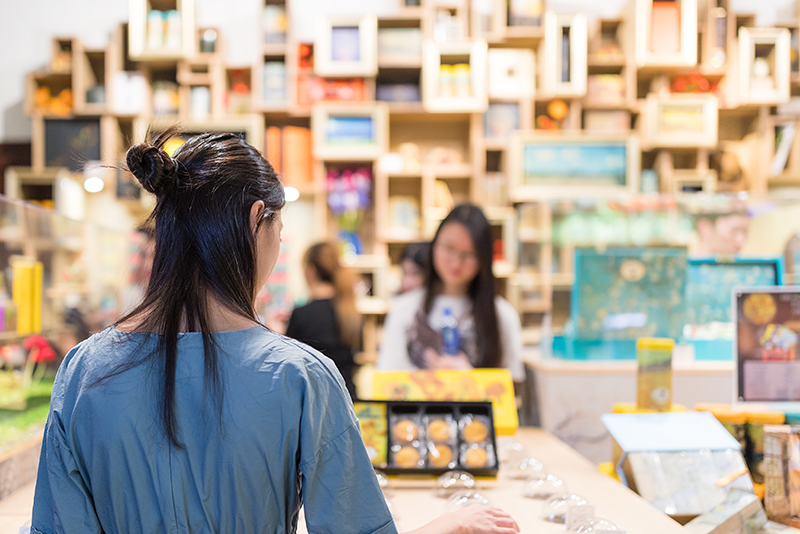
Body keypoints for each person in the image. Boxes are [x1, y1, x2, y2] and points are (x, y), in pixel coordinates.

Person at [31, 130, 519, 534]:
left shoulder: (81, 371)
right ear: (254, 221)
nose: (279, 246)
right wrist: (442, 527)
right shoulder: (302, 378)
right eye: (278, 232)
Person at [378, 204, 525, 385]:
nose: (456, 262)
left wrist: (471, 379)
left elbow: (513, 389)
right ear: (434, 246)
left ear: (483, 258)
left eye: (468, 254)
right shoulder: (404, 309)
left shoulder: (502, 314)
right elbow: (386, 381)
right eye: (448, 249)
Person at [286, 242, 360, 399]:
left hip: (316, 400)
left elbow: (290, 362)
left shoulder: (302, 313)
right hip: (348, 397)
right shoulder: (349, 311)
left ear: (310, 271)